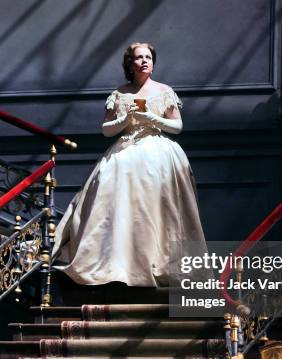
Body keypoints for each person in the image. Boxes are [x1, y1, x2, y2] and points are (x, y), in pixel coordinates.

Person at [53, 42, 206, 287]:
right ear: (130, 64)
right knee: (112, 181)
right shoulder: (121, 93)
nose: (144, 61)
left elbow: (178, 126)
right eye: (139, 57)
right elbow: (105, 130)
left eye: (148, 57)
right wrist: (124, 119)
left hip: (157, 147)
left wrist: (153, 118)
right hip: (126, 148)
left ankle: (162, 260)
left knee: (158, 204)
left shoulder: (164, 90)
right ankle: (118, 261)